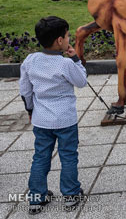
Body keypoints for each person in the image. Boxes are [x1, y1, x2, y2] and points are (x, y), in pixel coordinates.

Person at [19, 16, 87, 215]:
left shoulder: (31, 61)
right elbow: (82, 81)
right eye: (67, 36)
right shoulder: (65, 64)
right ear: (59, 40)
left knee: (40, 157)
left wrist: (30, 110)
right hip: (65, 120)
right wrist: (76, 59)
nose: (68, 39)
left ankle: (36, 197)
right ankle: (71, 194)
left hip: (41, 120)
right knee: (68, 156)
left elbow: (25, 89)